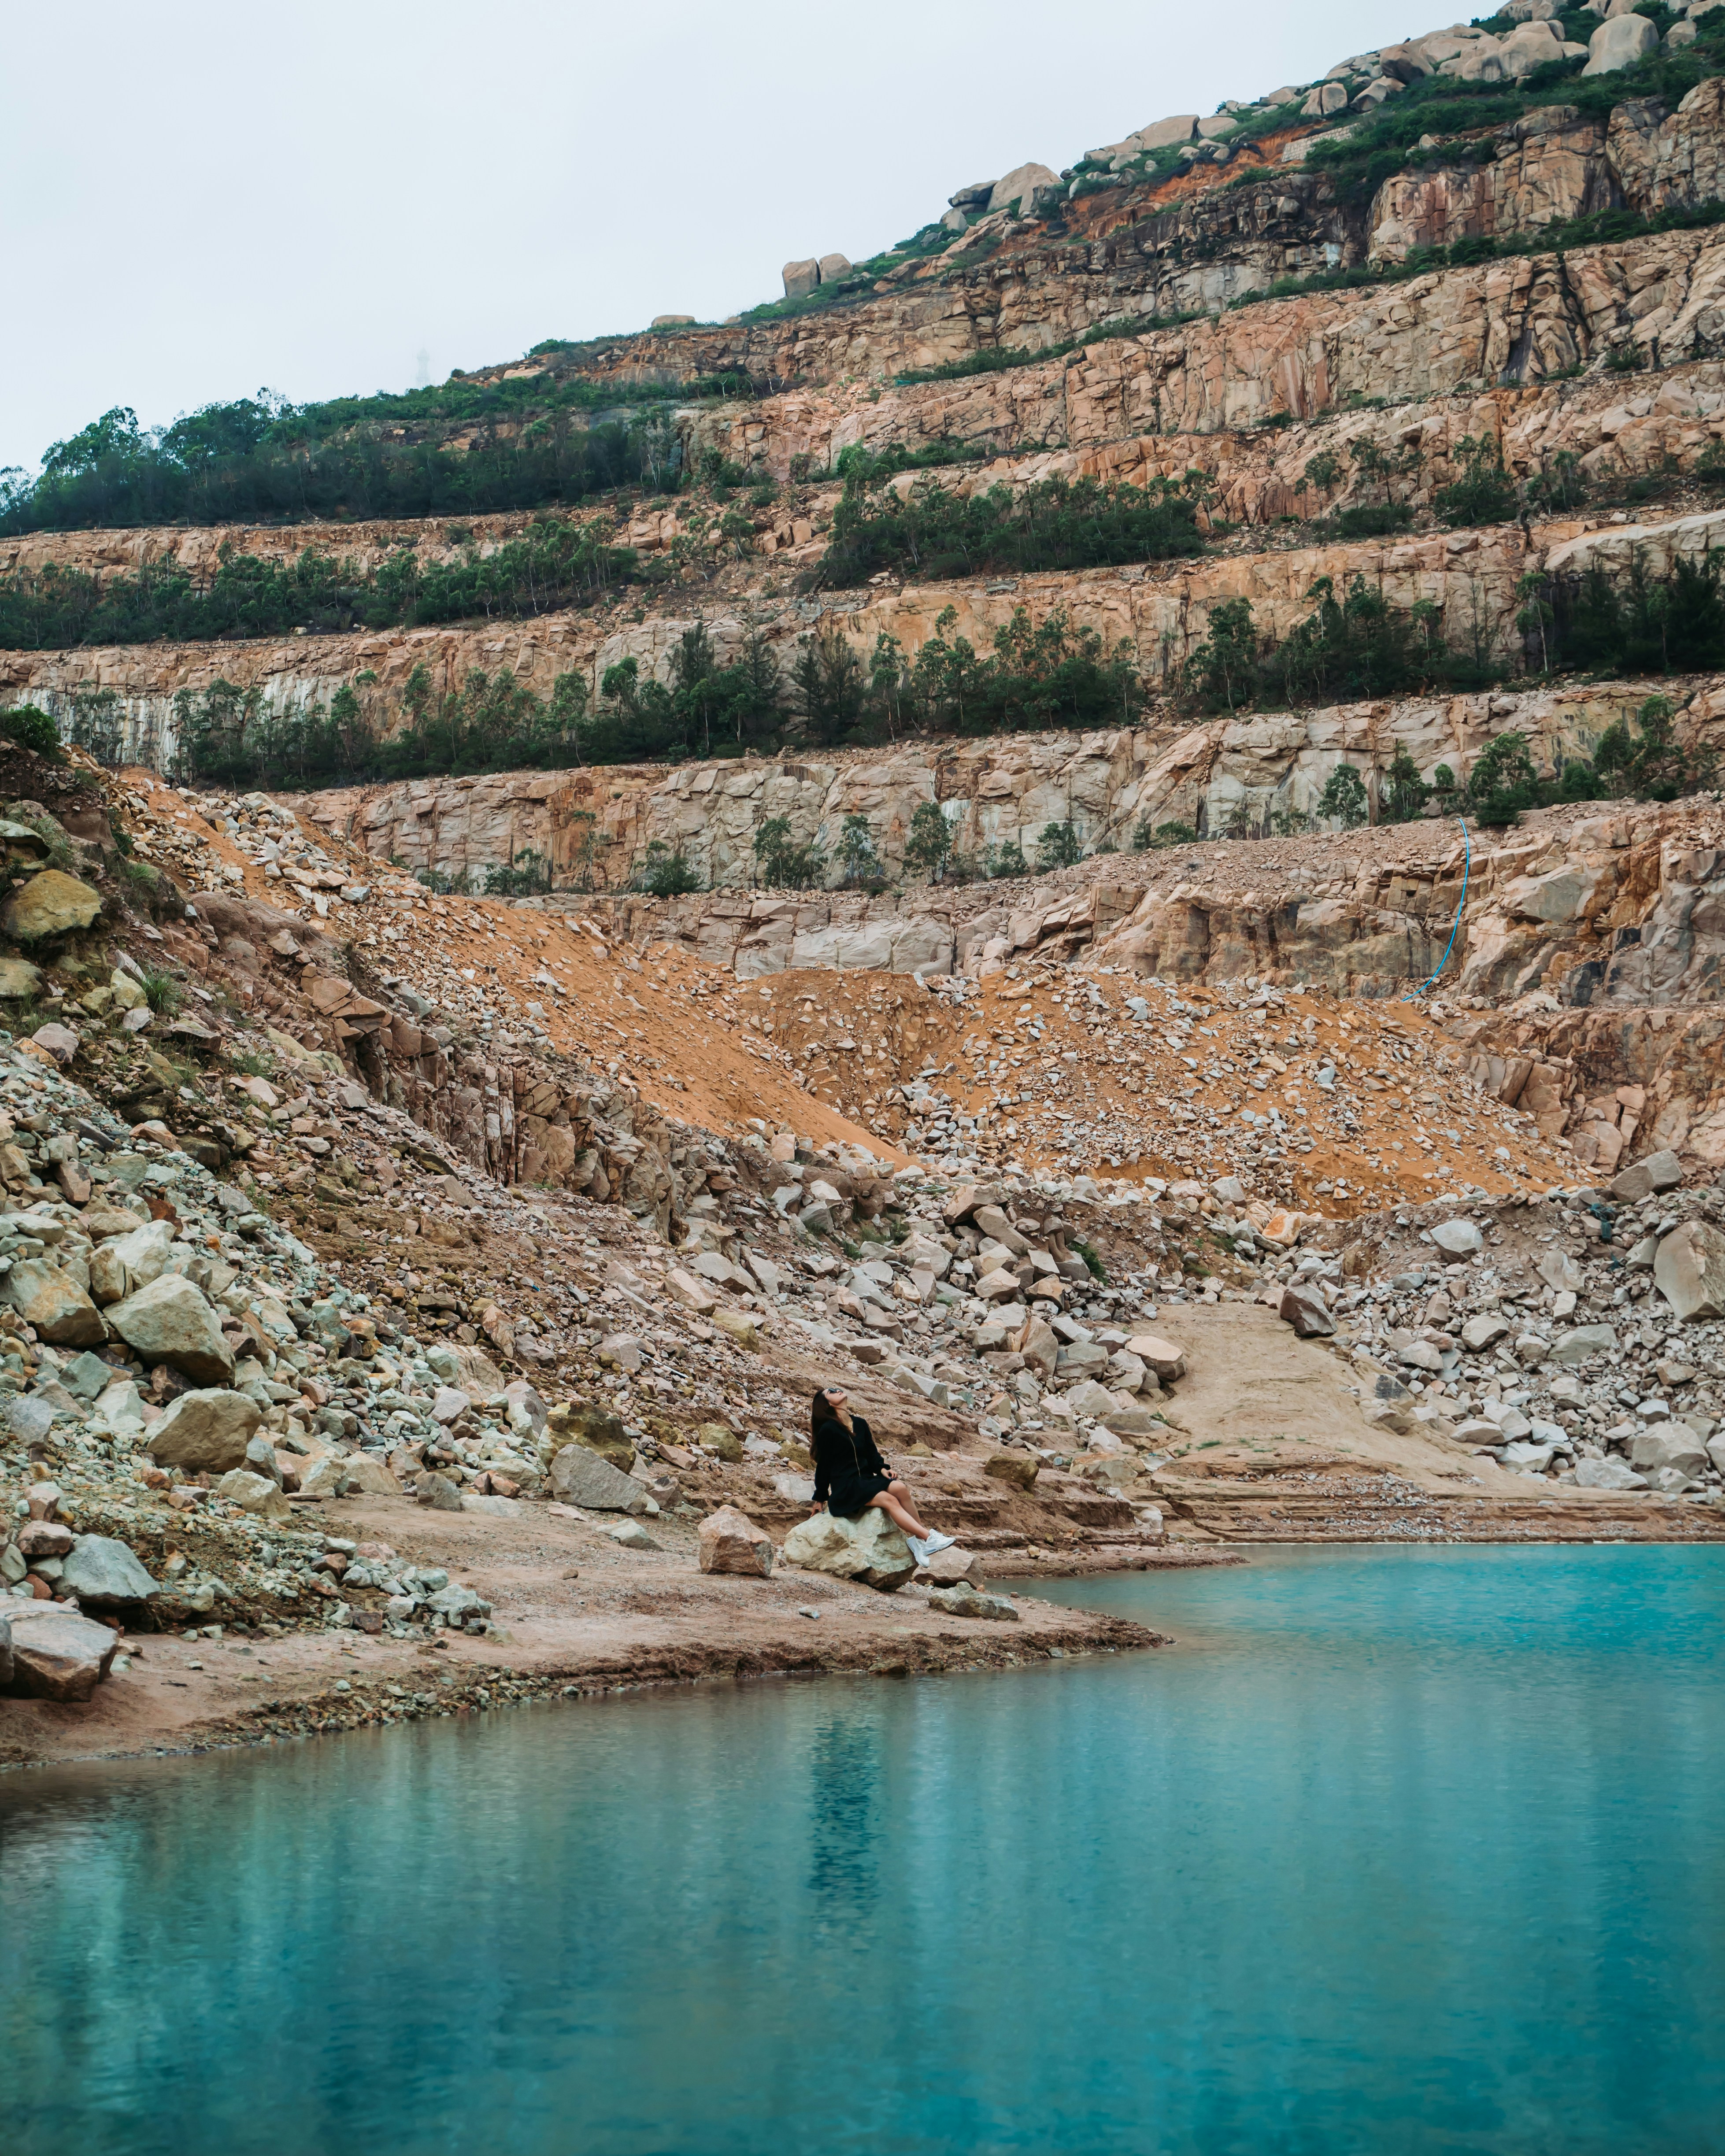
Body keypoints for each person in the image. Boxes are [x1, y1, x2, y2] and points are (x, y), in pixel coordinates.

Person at [808, 1386, 956, 1564]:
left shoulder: (860, 1423)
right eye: (832, 1392)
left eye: (837, 1388)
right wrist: (820, 1498)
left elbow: (872, 1453)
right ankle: (927, 1537)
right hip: (847, 1487)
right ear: (827, 1404)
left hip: (866, 1480)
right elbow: (824, 1466)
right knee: (890, 1500)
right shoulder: (828, 1429)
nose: (838, 1390)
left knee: (901, 1488)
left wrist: (882, 1469)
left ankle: (919, 1541)